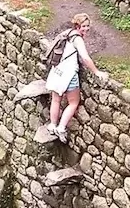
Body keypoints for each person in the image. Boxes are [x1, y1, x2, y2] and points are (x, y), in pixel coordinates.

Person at [44, 13, 107, 143]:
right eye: (84, 26)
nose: (86, 28)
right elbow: (85, 57)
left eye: (88, 26)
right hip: (69, 74)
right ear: (77, 25)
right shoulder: (77, 39)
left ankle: (52, 125)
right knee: (73, 102)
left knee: (56, 100)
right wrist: (96, 72)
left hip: (57, 71)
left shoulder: (68, 33)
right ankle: (61, 128)